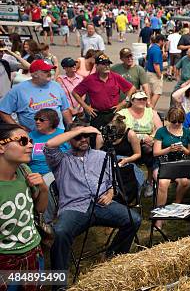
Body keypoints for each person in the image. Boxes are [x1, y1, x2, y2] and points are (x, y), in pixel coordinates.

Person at [45, 125, 142, 271]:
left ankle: (112, 255)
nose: (83, 139)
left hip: (102, 205)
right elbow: (49, 145)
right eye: (78, 137)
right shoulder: (61, 160)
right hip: (74, 207)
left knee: (134, 220)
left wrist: (110, 194)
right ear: (69, 139)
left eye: (86, 136)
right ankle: (59, 284)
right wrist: (78, 130)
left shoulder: (102, 156)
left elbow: (112, 183)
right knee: (60, 233)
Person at [0, 123, 48, 276]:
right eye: (22, 141)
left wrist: (43, 188)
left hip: (33, 250)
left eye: (30, 142)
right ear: (1, 147)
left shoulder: (24, 171)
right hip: (5, 261)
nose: (30, 146)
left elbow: (39, 210)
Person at [0, 59, 72, 131]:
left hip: (58, 135)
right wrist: (18, 128)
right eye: (45, 71)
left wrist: (70, 127)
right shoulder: (18, 90)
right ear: (34, 74)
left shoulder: (56, 86)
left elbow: (65, 109)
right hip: (33, 137)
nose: (49, 73)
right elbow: (3, 111)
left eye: (50, 71)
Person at [152, 107, 190, 228]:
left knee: (185, 182)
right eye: (174, 121)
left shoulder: (187, 132)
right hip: (163, 162)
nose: (176, 124)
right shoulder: (161, 131)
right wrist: (169, 149)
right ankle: (160, 216)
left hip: (180, 162)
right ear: (169, 119)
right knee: (163, 183)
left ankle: (176, 204)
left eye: (179, 122)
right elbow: (156, 152)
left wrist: (184, 149)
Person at [72, 53, 135, 129]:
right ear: (97, 66)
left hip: (114, 113)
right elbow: (75, 92)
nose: (107, 66)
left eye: (108, 64)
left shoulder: (115, 76)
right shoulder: (90, 79)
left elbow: (132, 88)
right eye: (104, 64)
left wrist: (124, 102)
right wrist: (86, 107)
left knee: (114, 137)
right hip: (97, 114)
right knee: (96, 137)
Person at [118, 90, 162, 198]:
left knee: (150, 150)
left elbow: (160, 128)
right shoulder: (123, 113)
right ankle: (130, 182)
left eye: (144, 99)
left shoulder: (151, 112)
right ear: (132, 101)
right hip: (128, 142)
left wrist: (151, 137)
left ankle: (150, 181)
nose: (142, 101)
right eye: (139, 99)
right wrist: (141, 138)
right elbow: (119, 130)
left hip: (148, 143)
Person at [145, 35, 166, 109]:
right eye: (164, 41)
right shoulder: (157, 50)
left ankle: (148, 107)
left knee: (150, 93)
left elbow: (147, 59)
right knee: (157, 92)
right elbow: (156, 64)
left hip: (149, 72)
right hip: (154, 74)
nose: (164, 43)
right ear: (161, 41)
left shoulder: (151, 47)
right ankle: (151, 108)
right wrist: (159, 75)